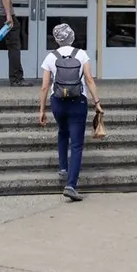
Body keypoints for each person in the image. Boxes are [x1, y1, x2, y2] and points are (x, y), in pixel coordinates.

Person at [38, 23, 102, 202]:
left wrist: (42, 109)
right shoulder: (81, 54)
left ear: (57, 39)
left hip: (58, 102)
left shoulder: (50, 57)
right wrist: (97, 102)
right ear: (72, 36)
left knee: (62, 131)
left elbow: (44, 86)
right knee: (76, 144)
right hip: (77, 102)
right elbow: (89, 80)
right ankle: (71, 185)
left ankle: (63, 168)